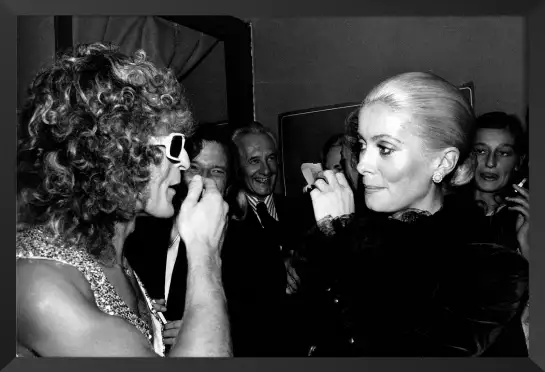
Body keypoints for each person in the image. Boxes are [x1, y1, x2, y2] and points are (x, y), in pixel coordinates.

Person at [16, 42, 231, 357]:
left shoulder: (110, 254)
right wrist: (205, 254)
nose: (184, 163)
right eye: (175, 146)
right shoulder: (42, 285)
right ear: (116, 153)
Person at [293, 72, 528, 356]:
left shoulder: (486, 268)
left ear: (443, 162)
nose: (363, 164)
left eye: (385, 148)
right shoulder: (363, 237)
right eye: (363, 145)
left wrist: (338, 238)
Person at [124, 124, 238, 348]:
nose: (202, 180)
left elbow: (264, 330)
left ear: (230, 183)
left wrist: (202, 331)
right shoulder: (139, 230)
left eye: (217, 171)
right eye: (194, 168)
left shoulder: (252, 245)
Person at [222, 121, 312, 356]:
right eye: (254, 161)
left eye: (271, 158)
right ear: (236, 166)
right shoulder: (224, 223)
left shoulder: (305, 210)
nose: (266, 170)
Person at [461, 111, 530, 355]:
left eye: (503, 152)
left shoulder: (526, 219)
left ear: (519, 160)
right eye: (480, 150)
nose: (490, 162)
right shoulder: (444, 211)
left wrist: (527, 244)